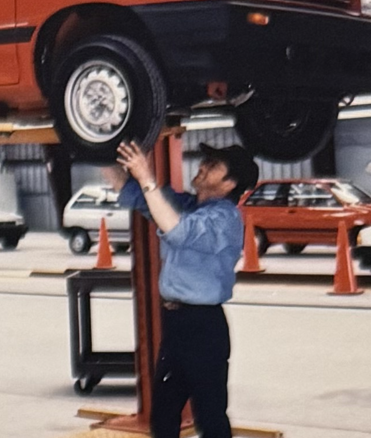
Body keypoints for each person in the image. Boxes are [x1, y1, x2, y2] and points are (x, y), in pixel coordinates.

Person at [103, 140, 259, 438]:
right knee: (163, 415)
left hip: (202, 327)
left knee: (210, 417)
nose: (201, 167)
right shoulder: (188, 205)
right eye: (205, 162)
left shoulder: (225, 219)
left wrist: (147, 178)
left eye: (213, 166)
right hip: (176, 325)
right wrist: (95, 149)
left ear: (229, 183)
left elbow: (176, 230)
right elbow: (130, 190)